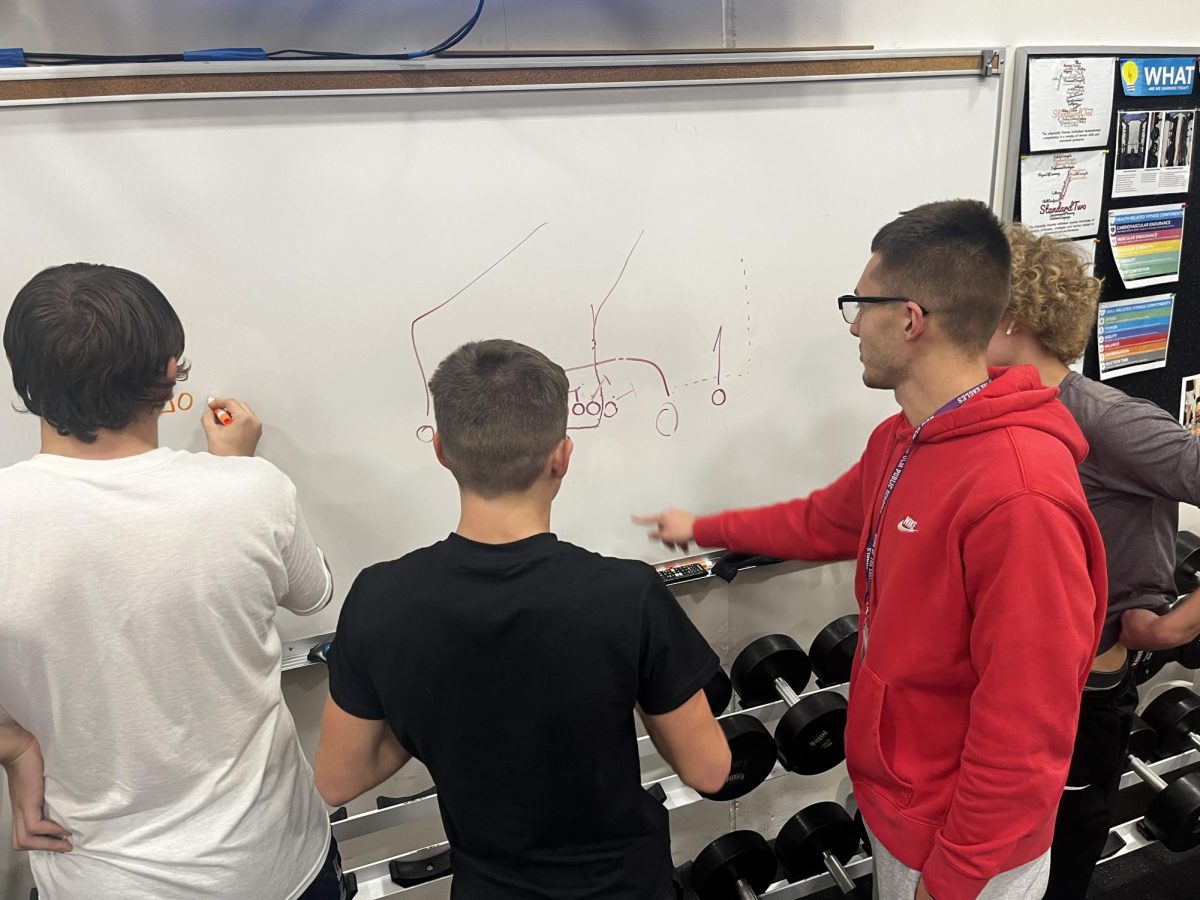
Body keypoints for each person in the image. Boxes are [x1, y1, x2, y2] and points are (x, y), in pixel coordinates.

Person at [635, 200, 1106, 900]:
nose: (853, 324)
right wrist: (709, 527)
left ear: (910, 319)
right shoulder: (903, 439)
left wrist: (953, 880)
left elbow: (1026, 728)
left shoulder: (1020, 496)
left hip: (967, 851)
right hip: (900, 807)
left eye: (861, 304)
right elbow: (825, 521)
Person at [314, 338, 731, 900]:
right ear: (562, 456)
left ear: (440, 450)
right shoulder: (625, 595)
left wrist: (435, 715)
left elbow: (339, 778)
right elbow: (708, 770)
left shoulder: (378, 598)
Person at [0, 263, 342, 900]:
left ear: (23, 378)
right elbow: (314, 592)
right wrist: (235, 470)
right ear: (168, 372)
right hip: (271, 864)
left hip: (96, 877)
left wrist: (15, 747)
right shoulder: (250, 493)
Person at [986, 224, 1200, 899]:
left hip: (1085, 694)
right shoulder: (986, 410)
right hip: (1006, 680)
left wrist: (1177, 628)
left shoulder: (1109, 421)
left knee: (1057, 868)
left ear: (1014, 318)